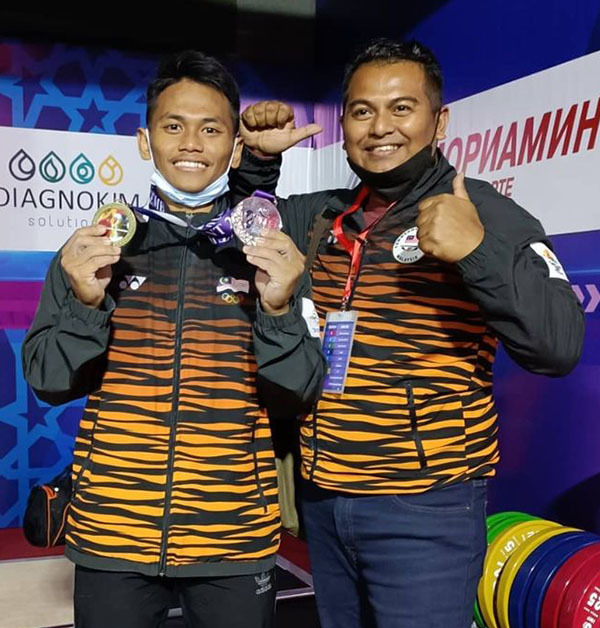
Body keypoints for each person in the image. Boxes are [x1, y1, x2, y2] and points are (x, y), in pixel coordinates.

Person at [239, 38, 585, 628]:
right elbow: (238, 231)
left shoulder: (483, 212)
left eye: (402, 108)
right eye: (362, 110)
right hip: (324, 497)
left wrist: (475, 251)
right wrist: (257, 162)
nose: (380, 128)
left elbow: (559, 345)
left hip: (426, 508)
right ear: (344, 123)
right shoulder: (323, 214)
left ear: (439, 119)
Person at [22, 50, 324, 628]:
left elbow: (299, 393)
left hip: (235, 534)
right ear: (144, 140)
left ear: (235, 148)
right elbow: (48, 382)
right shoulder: (94, 249)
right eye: (173, 126)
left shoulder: (270, 254)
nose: (191, 143)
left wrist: (281, 308)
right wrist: (87, 306)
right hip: (114, 531)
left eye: (211, 129)